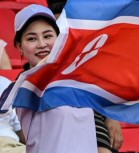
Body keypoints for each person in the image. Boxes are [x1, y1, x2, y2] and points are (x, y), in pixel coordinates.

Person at [5, 4, 97, 153]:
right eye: (32, 38)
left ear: (60, 38)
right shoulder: (25, 85)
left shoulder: (80, 77)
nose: (42, 44)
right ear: (19, 46)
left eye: (48, 36)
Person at [47, 1, 123, 152]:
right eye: (55, 32)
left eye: (66, 30)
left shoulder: (87, 64)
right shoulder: (34, 74)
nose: (62, 37)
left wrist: (111, 116)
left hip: (90, 122)